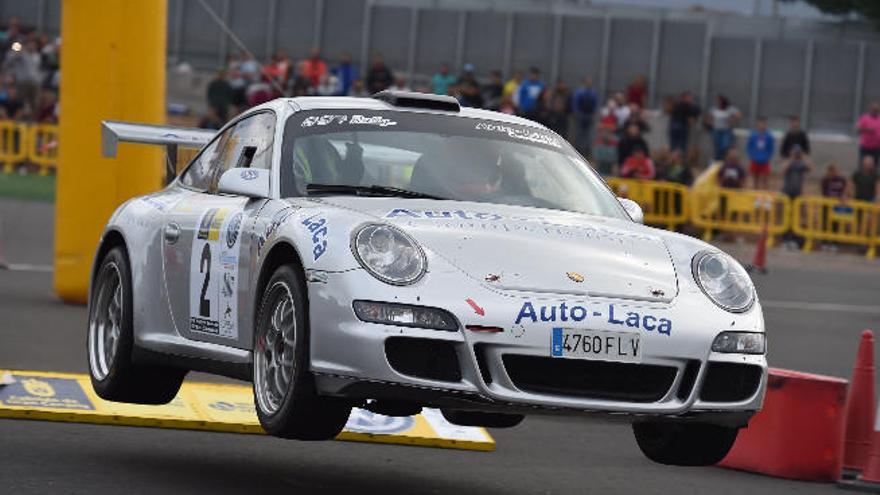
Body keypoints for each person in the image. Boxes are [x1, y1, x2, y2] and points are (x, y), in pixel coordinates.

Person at [706, 95, 740, 161]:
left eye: (719, 101)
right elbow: (709, 117)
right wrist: (710, 122)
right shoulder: (714, 108)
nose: (717, 102)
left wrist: (732, 120)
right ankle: (718, 160)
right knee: (717, 146)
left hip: (726, 130)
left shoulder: (729, 108)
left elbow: (738, 115)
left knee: (725, 145)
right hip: (716, 130)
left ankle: (724, 159)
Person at [571, 76, 598, 156]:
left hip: (589, 115)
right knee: (579, 133)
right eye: (587, 82)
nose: (589, 83)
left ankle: (586, 150)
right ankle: (578, 149)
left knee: (588, 134)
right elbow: (575, 103)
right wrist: (576, 113)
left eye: (590, 82)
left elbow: (595, 104)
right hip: (580, 115)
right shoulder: (579, 92)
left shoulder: (593, 92)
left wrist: (594, 114)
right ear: (584, 83)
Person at [746, 116, 775, 189]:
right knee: (755, 178)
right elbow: (749, 146)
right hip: (755, 159)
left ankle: (765, 191)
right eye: (760, 124)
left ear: (766, 125)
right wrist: (752, 155)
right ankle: (755, 190)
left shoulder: (769, 136)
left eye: (764, 124)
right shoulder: (753, 135)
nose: (762, 126)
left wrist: (768, 156)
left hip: (765, 160)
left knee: (765, 178)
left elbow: (771, 148)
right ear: (757, 125)